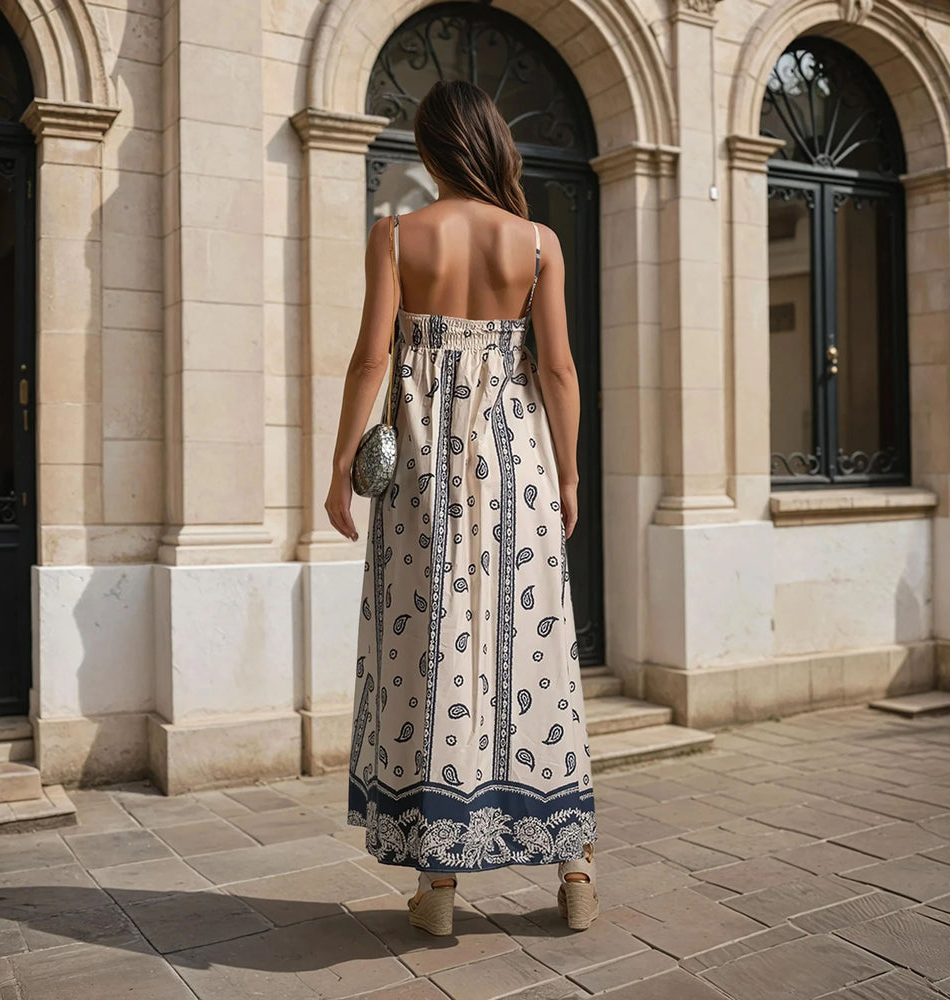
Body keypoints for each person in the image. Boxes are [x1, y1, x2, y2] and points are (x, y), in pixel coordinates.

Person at [325, 79, 598, 936]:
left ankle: (438, 888)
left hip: (422, 479)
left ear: (435, 150)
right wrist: (569, 472)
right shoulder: (539, 244)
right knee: (536, 655)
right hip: (517, 465)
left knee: (435, 647)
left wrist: (340, 465)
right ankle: (575, 869)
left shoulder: (399, 234)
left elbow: (371, 358)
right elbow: (557, 370)